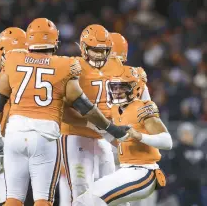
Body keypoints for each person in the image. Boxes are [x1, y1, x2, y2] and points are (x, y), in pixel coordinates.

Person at [0, 18, 133, 206]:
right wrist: (110, 128)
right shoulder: (65, 65)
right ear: (55, 42)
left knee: (13, 198)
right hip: (45, 136)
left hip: (15, 133)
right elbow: (83, 106)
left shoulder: (13, 59)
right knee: (43, 200)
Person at [60, 26, 152, 203]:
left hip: (104, 138)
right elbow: (62, 110)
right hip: (77, 136)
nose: (101, 57)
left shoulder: (125, 74)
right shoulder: (74, 67)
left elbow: (144, 109)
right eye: (96, 51)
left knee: (113, 191)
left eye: (105, 52)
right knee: (81, 189)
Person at [74, 67, 173, 206]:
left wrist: (140, 136)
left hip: (144, 171)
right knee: (80, 201)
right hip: (125, 169)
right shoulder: (116, 109)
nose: (117, 91)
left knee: (91, 201)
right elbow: (120, 140)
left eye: (122, 87)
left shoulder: (143, 108)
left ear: (136, 87)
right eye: (114, 87)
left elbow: (167, 142)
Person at [0, 27, 27, 205]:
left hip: (11, 144)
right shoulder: (38, 70)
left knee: (6, 198)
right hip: (41, 142)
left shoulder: (5, 75)